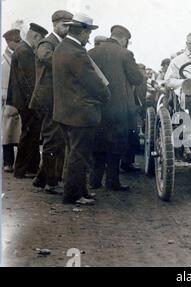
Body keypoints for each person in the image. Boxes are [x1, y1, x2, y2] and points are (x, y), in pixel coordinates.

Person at [53, 13, 111, 205]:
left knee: (75, 154)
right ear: (83, 32)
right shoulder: (76, 52)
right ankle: (73, 195)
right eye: (88, 34)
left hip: (65, 112)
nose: (88, 38)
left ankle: (82, 191)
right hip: (81, 115)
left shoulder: (62, 48)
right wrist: (105, 95)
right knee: (79, 157)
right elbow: (93, 82)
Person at [88, 25, 142, 190]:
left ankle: (94, 180)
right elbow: (136, 78)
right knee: (116, 144)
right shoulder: (125, 53)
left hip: (96, 107)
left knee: (97, 143)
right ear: (124, 39)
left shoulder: (91, 52)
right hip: (118, 109)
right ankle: (112, 181)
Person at [29, 10, 73, 194]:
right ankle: (51, 182)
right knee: (52, 139)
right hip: (48, 99)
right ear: (55, 24)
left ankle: (42, 178)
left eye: (69, 25)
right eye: (64, 25)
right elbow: (45, 57)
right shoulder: (47, 42)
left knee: (57, 139)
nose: (67, 28)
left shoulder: (61, 43)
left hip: (57, 98)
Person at [7, 23, 48, 179]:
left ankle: (30, 168)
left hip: (24, 100)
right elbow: (31, 80)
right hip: (28, 102)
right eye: (41, 39)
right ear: (36, 37)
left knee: (31, 134)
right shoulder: (25, 51)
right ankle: (21, 170)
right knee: (29, 135)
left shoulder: (22, 49)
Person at [2, 29, 22, 173]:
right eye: (16, 42)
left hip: (18, 98)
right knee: (7, 133)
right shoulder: (3, 60)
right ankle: (8, 162)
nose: (18, 43)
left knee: (19, 133)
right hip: (6, 100)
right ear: (9, 42)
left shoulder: (19, 56)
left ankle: (19, 164)